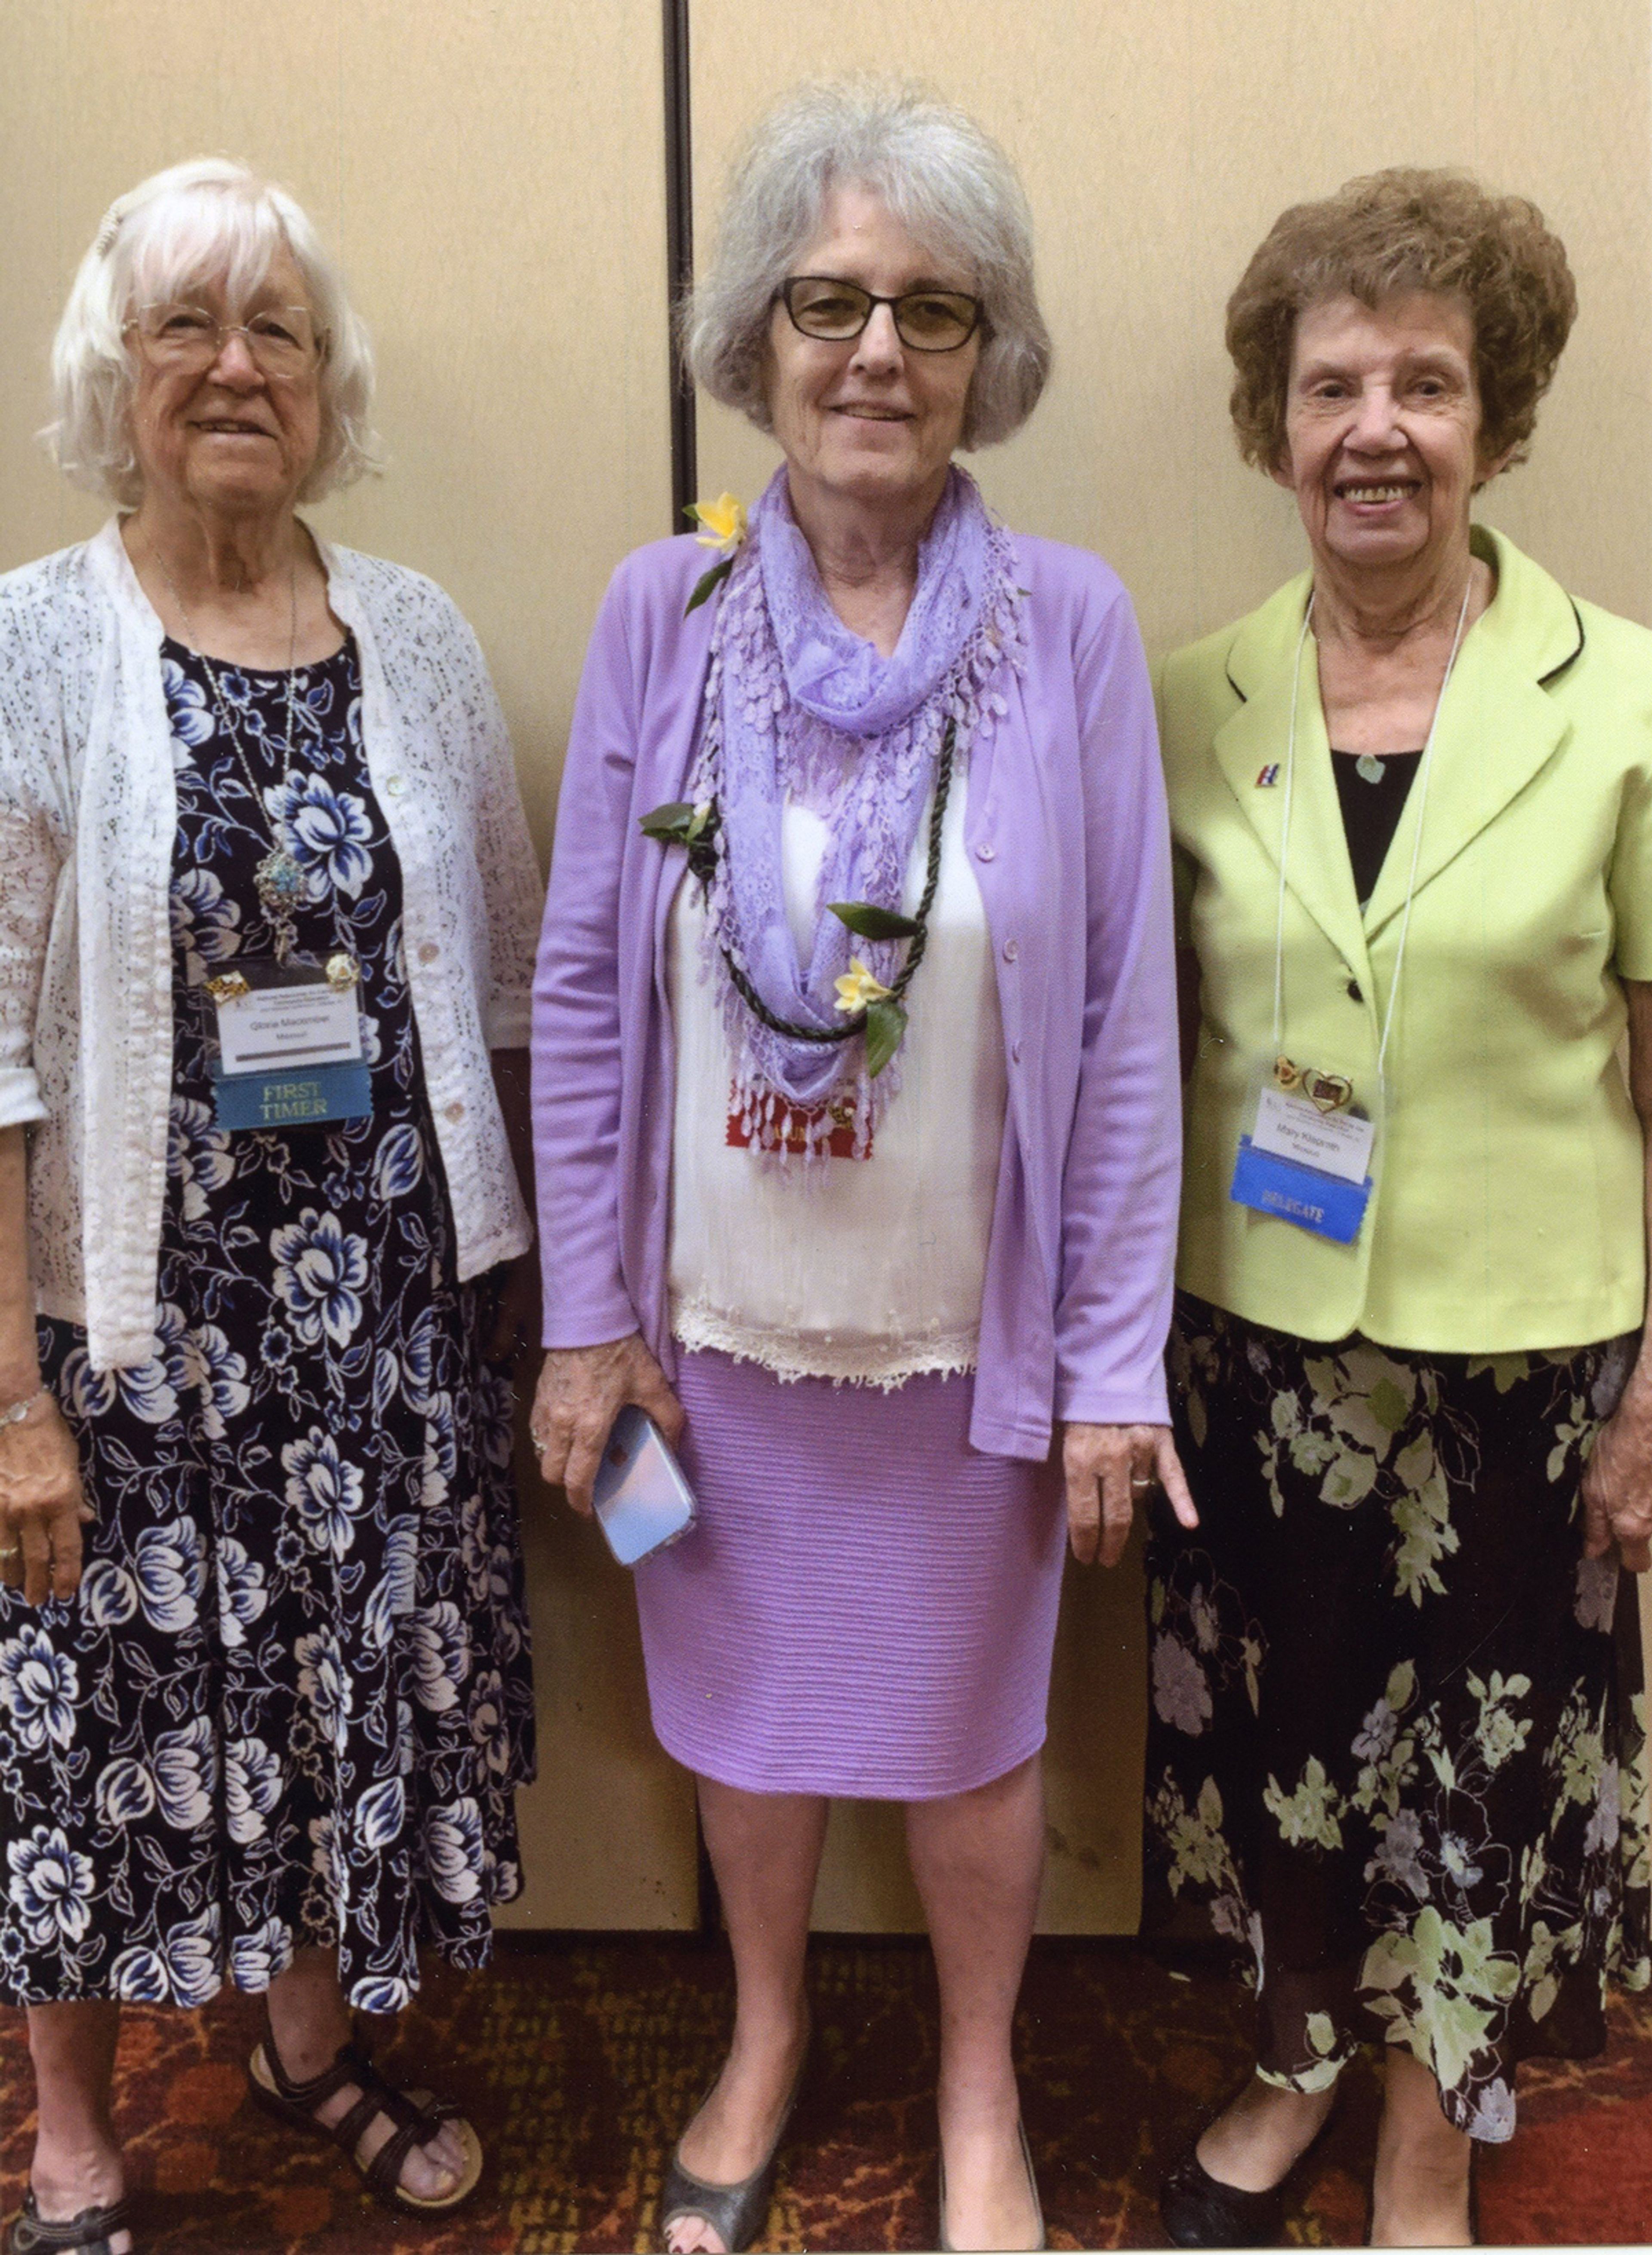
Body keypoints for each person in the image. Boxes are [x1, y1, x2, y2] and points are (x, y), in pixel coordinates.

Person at [531, 76, 1190, 2255]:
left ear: (988, 352)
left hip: (959, 1338)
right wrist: (586, 1322)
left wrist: (1112, 1364)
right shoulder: (667, 613)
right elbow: (591, 983)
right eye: (830, 300)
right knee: (744, 1719)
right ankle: (766, 2031)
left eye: (930, 306)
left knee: (972, 1739)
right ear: (757, 333)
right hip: (717, 1328)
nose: (878, 351)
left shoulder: (1066, 627)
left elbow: (1117, 1023)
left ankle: (981, 2086)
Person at [0, 160, 542, 2255]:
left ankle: (307, 2048)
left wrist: (520, 1289)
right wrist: (15, 1405)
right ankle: (70, 2125)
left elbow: (497, 982)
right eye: (186, 327)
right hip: (128, 1327)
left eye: (278, 332)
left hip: (378, 1326)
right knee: (87, 1726)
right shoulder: (36, 641)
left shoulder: (407, 631)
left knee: (327, 1694)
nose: (236, 368)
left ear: (328, 383)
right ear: (112, 376)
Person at [1144, 165, 1652, 2249]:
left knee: (1489, 1771)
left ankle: (1433, 2128)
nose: (1375, 426)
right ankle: (1296, 2060)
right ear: (1273, 426)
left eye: (1425, 383)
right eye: (1330, 381)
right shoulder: (1183, 703)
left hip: (1535, 1357)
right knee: (1295, 1743)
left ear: (1499, 423)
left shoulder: (1625, 700)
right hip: (1259, 1345)